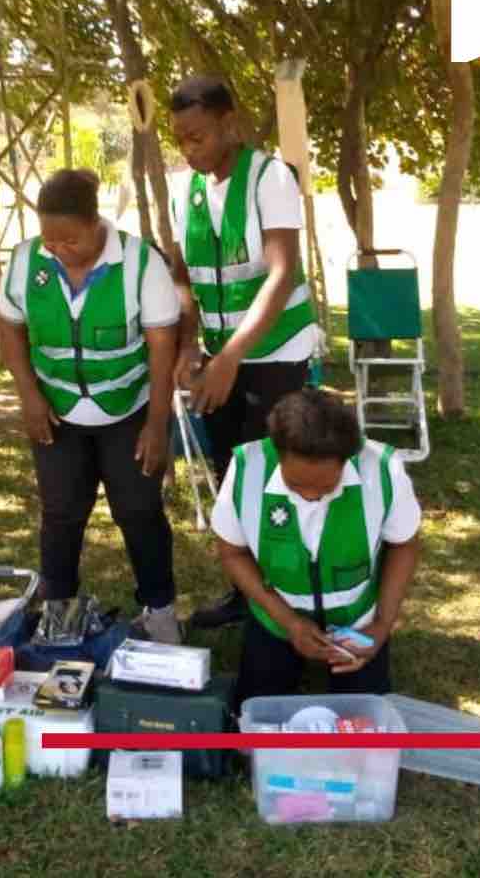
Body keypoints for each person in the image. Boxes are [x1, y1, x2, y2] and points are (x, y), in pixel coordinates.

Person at [0, 168, 183, 643]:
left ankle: (160, 613)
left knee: (139, 511)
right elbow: (10, 325)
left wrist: (157, 424)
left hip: (128, 410)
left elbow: (163, 347)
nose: (57, 247)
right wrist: (29, 396)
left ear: (96, 222)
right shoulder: (24, 261)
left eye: (69, 239)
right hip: (57, 413)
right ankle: (60, 612)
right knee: (60, 513)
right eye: (48, 238)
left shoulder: (142, 263)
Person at [168, 74, 318, 629]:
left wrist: (228, 357)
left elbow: (281, 275)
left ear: (230, 125)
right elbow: (183, 275)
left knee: (278, 476)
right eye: (181, 138)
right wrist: (189, 343)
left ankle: (290, 596)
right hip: (221, 355)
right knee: (235, 474)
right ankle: (248, 593)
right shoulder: (186, 190)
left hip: (276, 354)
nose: (189, 148)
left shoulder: (269, 177)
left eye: (199, 136)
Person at [210, 388, 421, 707]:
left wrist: (380, 627)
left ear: (347, 459)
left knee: (363, 726)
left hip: (358, 622)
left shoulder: (383, 470)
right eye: (296, 485)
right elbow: (232, 552)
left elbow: (404, 546)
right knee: (253, 724)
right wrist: (289, 622)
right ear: (276, 453)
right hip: (276, 619)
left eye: (325, 487)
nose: (310, 496)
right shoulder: (245, 469)